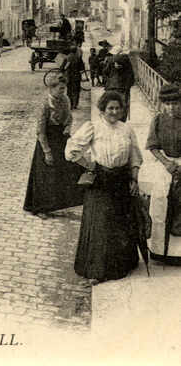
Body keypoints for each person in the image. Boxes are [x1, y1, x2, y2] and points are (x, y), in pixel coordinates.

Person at [65, 90, 143, 284]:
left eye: (117, 108)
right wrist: (90, 165)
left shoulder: (127, 129)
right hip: (101, 180)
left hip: (121, 180)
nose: (114, 112)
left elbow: (135, 156)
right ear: (102, 110)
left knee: (120, 223)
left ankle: (121, 266)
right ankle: (96, 270)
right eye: (110, 108)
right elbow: (71, 151)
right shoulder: (93, 127)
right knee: (100, 224)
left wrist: (134, 179)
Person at [23, 73, 84, 219]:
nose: (62, 91)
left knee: (65, 171)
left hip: (61, 139)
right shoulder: (45, 104)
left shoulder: (65, 100)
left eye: (64, 89)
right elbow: (40, 130)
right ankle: (40, 208)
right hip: (47, 140)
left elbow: (69, 118)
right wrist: (47, 151)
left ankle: (58, 204)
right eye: (60, 89)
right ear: (51, 89)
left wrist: (68, 127)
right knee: (46, 175)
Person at [143, 83, 181, 262]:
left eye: (175, 103)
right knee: (160, 197)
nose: (171, 107)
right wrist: (166, 163)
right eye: (168, 104)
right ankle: (161, 251)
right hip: (165, 162)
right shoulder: (159, 120)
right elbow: (152, 146)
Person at [104, 53, 135, 119]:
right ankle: (121, 120)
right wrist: (128, 85)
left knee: (110, 103)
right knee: (122, 104)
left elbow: (105, 72)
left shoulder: (110, 60)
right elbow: (132, 77)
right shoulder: (127, 62)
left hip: (111, 86)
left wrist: (108, 80)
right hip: (123, 88)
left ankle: (111, 119)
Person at [62, 45, 85, 110]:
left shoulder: (67, 57)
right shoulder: (78, 57)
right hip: (77, 77)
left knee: (69, 91)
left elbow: (63, 67)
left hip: (69, 77)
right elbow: (82, 69)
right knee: (76, 91)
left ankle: (70, 105)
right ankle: (75, 105)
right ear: (75, 51)